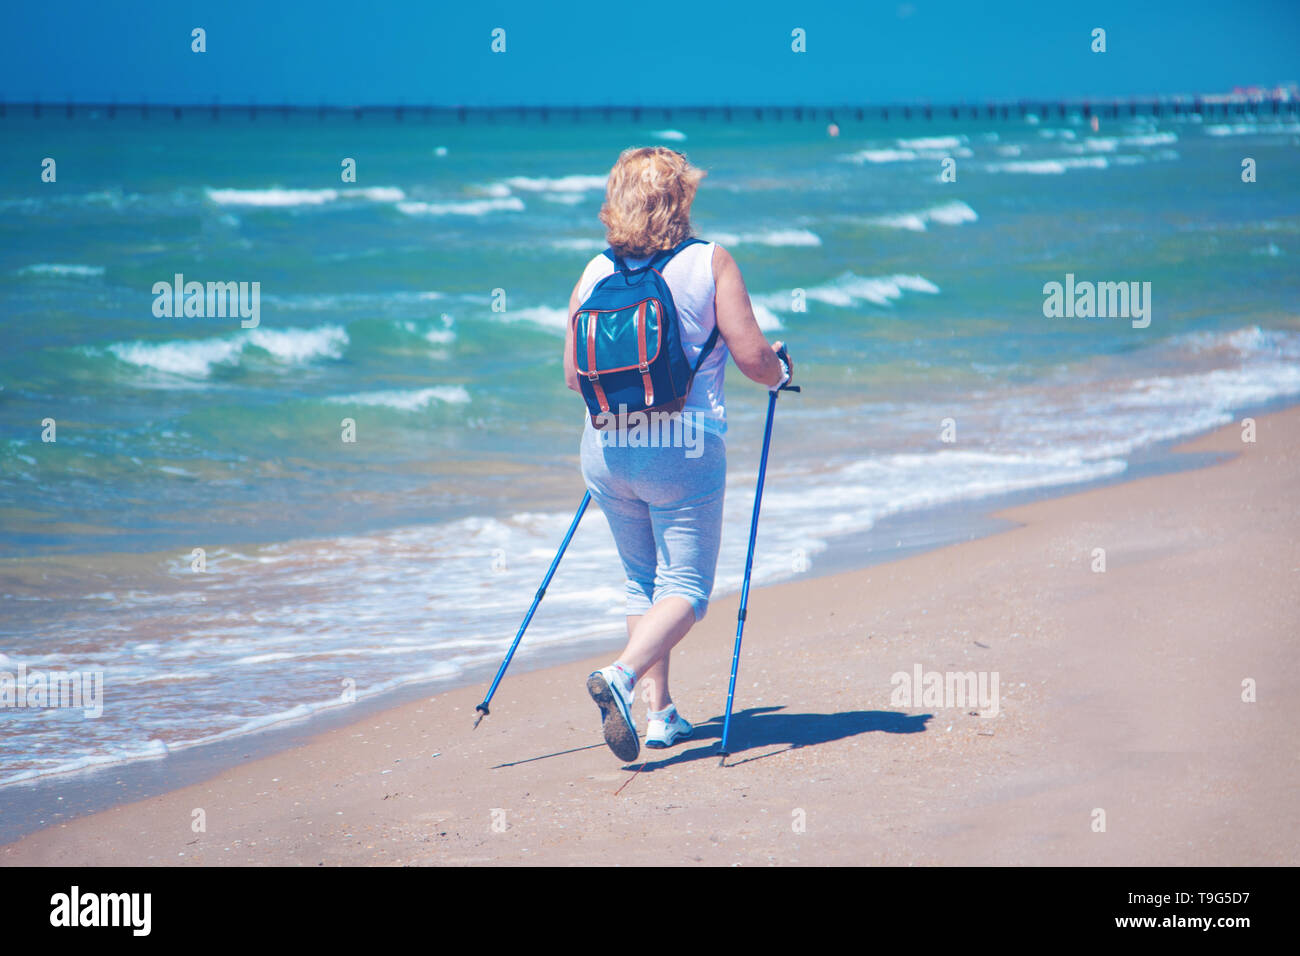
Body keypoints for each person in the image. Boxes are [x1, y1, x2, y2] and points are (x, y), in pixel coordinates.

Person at [562, 146, 793, 762]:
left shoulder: (594, 271)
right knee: (687, 588)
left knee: (644, 582)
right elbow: (752, 359)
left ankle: (660, 715)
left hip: (606, 446)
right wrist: (781, 372)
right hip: (681, 446)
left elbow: (570, 376)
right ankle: (622, 676)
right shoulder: (709, 262)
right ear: (680, 198)